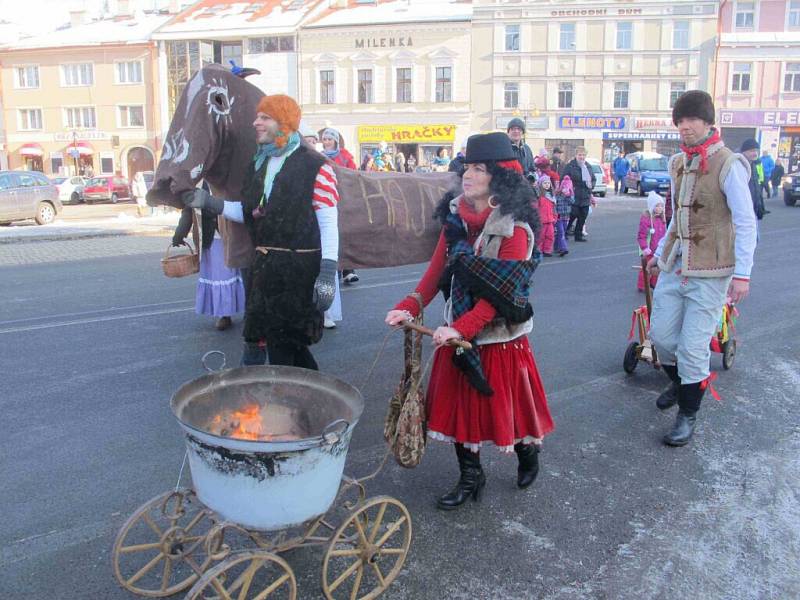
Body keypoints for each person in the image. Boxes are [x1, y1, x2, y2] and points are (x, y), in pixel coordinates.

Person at [385, 132, 554, 510]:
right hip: (456, 331)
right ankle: (471, 478)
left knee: (509, 412)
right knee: (462, 410)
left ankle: (528, 453)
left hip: (499, 336)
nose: (469, 174)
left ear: (500, 177)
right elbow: (434, 274)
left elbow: (498, 302)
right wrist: (408, 307)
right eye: (467, 166)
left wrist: (458, 329)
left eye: (480, 168)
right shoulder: (456, 220)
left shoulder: (516, 230)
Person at [184, 94, 339, 369]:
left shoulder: (317, 167)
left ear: (284, 123)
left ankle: (300, 404)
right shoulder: (261, 163)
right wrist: (207, 202)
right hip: (265, 273)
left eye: (264, 118)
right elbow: (247, 212)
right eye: (258, 116)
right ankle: (312, 402)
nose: (256, 122)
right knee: (286, 349)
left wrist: (327, 274)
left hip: (298, 273)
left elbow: (328, 225)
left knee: (286, 348)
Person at [646, 90, 757, 446]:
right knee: (662, 338)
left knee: (693, 348)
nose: (685, 127)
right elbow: (676, 219)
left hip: (712, 270)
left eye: (692, 120)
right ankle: (681, 384)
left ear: (709, 122)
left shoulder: (728, 163)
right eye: (680, 121)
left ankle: (687, 414)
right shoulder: (678, 162)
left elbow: (745, 219)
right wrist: (660, 254)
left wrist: (743, 273)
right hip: (675, 264)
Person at [173, 194, 245, 331]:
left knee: (240, 274)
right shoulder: (198, 183)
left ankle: (248, 312)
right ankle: (224, 314)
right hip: (210, 237)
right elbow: (189, 211)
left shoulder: (226, 180)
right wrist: (179, 234)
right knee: (220, 276)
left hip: (233, 235)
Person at [320, 128, 359, 288]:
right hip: (327, 198)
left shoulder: (344, 155)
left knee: (345, 233)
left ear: (335, 140)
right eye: (325, 139)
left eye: (330, 139)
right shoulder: (320, 156)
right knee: (330, 235)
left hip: (345, 198)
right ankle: (332, 270)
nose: (327, 142)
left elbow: (354, 173)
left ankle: (348, 270)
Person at [563, 147, 595, 242]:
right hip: (574, 194)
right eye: (580, 155)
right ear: (576, 155)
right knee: (573, 214)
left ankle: (578, 235)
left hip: (585, 195)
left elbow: (593, 179)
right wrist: (568, 188)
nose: (581, 157)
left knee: (583, 216)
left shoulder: (588, 166)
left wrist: (591, 185)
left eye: (583, 155)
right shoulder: (570, 166)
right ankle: (564, 231)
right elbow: (564, 178)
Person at [636, 191, 667, 292]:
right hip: (649, 249)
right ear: (651, 207)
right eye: (657, 206)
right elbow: (641, 235)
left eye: (661, 206)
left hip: (658, 250)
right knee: (646, 268)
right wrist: (644, 247)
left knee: (657, 267)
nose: (659, 208)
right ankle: (643, 284)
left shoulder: (662, 219)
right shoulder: (646, 220)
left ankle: (654, 283)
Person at [740, 138, 765, 220]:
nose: (755, 153)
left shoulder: (753, 164)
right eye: (752, 151)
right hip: (743, 212)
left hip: (753, 210)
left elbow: (756, 188)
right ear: (744, 152)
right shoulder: (738, 166)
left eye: (756, 151)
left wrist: (760, 206)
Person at [536, 175, 556, 257]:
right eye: (545, 183)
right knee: (541, 236)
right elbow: (536, 208)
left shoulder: (551, 197)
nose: (547, 185)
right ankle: (539, 250)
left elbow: (554, 208)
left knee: (550, 235)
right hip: (541, 220)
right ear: (540, 184)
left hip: (550, 220)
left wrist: (555, 217)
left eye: (548, 183)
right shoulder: (539, 197)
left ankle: (547, 250)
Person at [554, 175, 573, 257]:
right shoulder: (557, 195)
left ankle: (556, 246)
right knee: (561, 232)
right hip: (558, 216)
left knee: (562, 232)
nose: (565, 189)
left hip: (566, 216)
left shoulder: (569, 196)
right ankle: (563, 248)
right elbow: (554, 204)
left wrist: (568, 195)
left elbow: (572, 202)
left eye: (567, 187)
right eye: (564, 187)